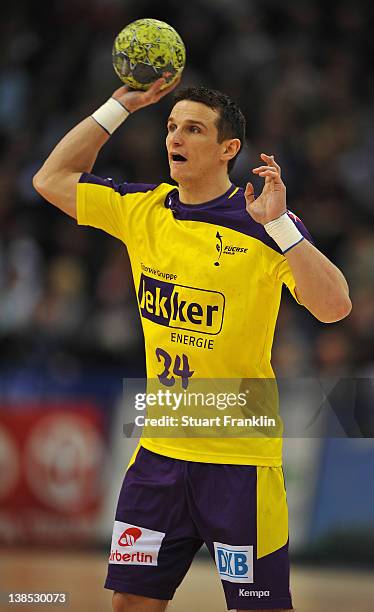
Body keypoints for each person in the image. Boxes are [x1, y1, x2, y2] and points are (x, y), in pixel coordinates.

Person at [33, 77, 352, 612]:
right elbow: (51, 178)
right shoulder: (143, 209)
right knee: (131, 603)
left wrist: (284, 230)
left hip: (239, 466)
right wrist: (119, 106)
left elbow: (335, 306)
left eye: (194, 129)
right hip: (158, 459)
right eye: (172, 127)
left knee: (259, 608)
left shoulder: (264, 223)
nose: (175, 138)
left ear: (229, 149)